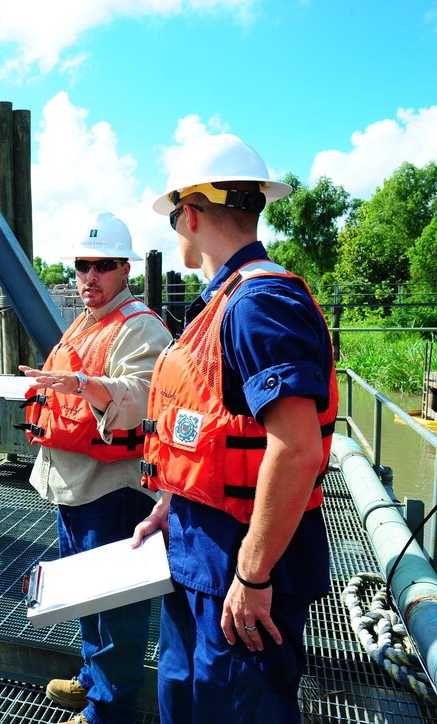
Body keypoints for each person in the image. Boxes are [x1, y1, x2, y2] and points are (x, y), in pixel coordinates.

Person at [132, 133, 337, 722]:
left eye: (174, 220)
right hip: (201, 549)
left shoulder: (259, 304)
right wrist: (173, 502)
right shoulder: (224, 302)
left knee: (238, 708)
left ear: (189, 216)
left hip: (239, 566)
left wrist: (252, 571)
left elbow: (295, 450)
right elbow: (212, 429)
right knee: (189, 699)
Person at [18, 212, 172, 724]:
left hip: (115, 492)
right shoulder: (88, 321)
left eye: (102, 265)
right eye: (83, 266)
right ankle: (91, 678)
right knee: (88, 594)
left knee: (119, 609)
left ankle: (109, 710)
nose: (90, 277)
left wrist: (83, 385)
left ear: (125, 268)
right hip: (74, 484)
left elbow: (148, 395)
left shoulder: (141, 326)